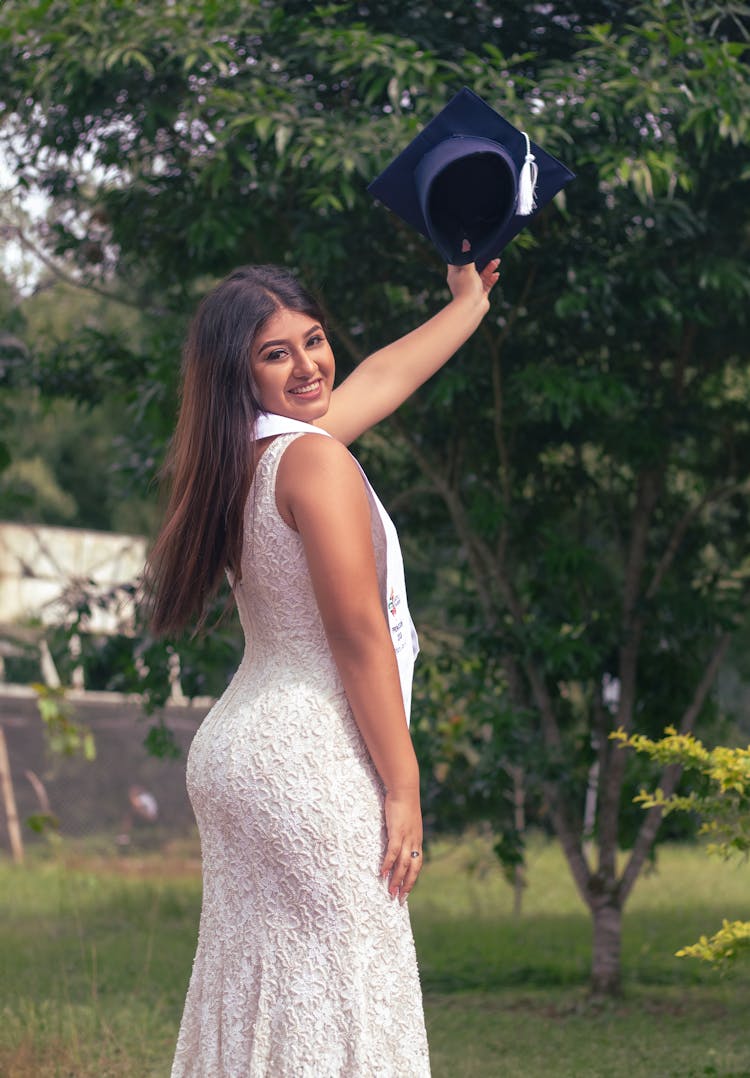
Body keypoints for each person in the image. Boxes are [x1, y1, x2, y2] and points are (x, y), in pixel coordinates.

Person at [147, 257, 500, 1077]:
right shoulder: (314, 463)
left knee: (267, 988)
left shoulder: (239, 461)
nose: (308, 365)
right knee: (347, 988)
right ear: (240, 373)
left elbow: (382, 374)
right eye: (277, 354)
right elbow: (358, 633)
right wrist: (404, 785)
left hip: (239, 751)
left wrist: (468, 304)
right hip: (306, 756)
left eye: (314, 340)